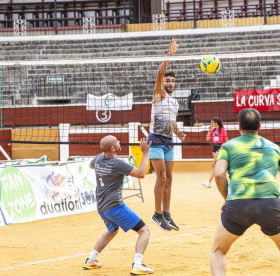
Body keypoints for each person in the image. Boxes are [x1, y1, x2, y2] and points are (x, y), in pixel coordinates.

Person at [211, 108, 280, 276]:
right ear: (260, 125)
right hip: (270, 204)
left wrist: (227, 199)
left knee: (219, 251)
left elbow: (218, 174)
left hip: (238, 204)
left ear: (239, 126)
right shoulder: (273, 147)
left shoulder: (228, 146)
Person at [83, 135, 154, 275]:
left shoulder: (98, 158)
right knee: (144, 231)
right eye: (117, 141)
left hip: (101, 206)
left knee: (112, 230)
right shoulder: (117, 164)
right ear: (113, 148)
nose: (120, 142)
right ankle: (138, 264)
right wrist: (145, 153)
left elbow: (91, 166)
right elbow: (141, 174)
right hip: (115, 206)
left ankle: (91, 260)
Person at [148, 37, 186, 232]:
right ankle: (157, 214)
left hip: (169, 141)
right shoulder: (159, 94)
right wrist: (169, 56)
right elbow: (159, 73)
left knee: (169, 178)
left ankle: (167, 214)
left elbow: (171, 122)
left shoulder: (175, 102)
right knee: (161, 177)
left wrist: (178, 132)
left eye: (172, 81)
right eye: (167, 81)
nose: (170, 83)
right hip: (155, 140)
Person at [203, 117, 228, 188]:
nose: (211, 123)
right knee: (218, 166)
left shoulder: (222, 130)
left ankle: (209, 182)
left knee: (214, 165)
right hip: (214, 148)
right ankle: (228, 181)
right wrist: (209, 130)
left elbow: (226, 140)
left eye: (212, 122)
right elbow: (208, 139)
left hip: (220, 148)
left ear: (216, 123)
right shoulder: (213, 130)